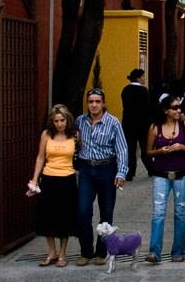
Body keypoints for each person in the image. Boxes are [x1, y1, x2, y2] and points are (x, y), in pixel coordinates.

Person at [75, 88, 128, 267]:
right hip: (86, 169)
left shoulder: (113, 122)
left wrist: (121, 173)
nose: (94, 105)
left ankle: (101, 251)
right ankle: (85, 251)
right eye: (91, 102)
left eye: (97, 101)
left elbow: (122, 149)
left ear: (103, 103)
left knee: (106, 213)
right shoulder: (80, 121)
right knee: (82, 211)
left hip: (107, 169)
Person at [144, 95, 185, 263]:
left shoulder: (184, 125)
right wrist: (160, 152)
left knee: (180, 213)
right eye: (175, 107)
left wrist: (181, 147)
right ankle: (154, 251)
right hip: (161, 174)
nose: (178, 110)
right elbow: (148, 152)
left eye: (179, 107)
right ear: (165, 110)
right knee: (158, 213)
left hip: (182, 173)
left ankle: (178, 251)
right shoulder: (155, 127)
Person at [30, 104, 79, 268]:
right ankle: (51, 252)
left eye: (62, 120)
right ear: (52, 121)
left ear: (67, 120)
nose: (60, 124)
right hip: (49, 179)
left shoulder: (74, 135)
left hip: (67, 179)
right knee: (47, 216)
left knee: (65, 216)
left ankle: (63, 253)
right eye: (56, 121)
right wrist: (35, 179)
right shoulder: (46, 135)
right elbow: (40, 157)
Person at [121, 68, 152, 181]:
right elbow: (146, 108)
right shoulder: (143, 91)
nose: (144, 79)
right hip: (142, 123)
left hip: (128, 123)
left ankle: (130, 172)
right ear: (138, 78)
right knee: (144, 147)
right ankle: (151, 168)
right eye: (143, 77)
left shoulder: (125, 90)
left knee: (130, 148)